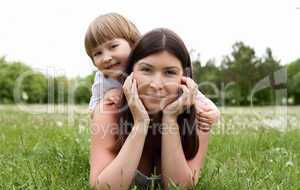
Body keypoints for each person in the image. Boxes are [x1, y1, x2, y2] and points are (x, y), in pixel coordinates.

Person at [89, 28, 218, 190]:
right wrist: (140, 124)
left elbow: (179, 189)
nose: (156, 84)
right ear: (130, 73)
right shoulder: (108, 111)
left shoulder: (199, 117)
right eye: (146, 70)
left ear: (184, 77)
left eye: (170, 72)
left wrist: (170, 119)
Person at [84, 13, 219, 126]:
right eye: (97, 53)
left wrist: (212, 111)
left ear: (133, 43)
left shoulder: (149, 67)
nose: (106, 58)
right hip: (129, 130)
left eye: (113, 46)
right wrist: (105, 100)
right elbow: (93, 111)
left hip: (163, 126)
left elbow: (192, 90)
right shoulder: (102, 79)